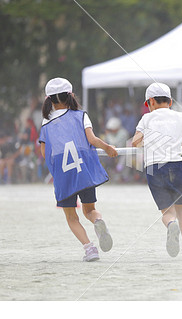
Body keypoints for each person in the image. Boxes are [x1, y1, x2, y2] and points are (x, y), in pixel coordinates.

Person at [39, 78, 117, 262]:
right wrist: (107, 147)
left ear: (48, 99)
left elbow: (44, 152)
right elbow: (92, 139)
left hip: (63, 175)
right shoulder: (81, 115)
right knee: (90, 210)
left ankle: (90, 249)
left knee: (71, 216)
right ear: (71, 95)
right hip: (83, 171)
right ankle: (98, 221)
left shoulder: (46, 121)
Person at [131, 83, 182, 260]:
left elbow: (135, 142)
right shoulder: (180, 117)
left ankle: (171, 224)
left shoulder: (147, 119)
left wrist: (147, 141)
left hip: (154, 167)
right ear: (170, 101)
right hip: (176, 165)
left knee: (167, 213)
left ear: (150, 102)